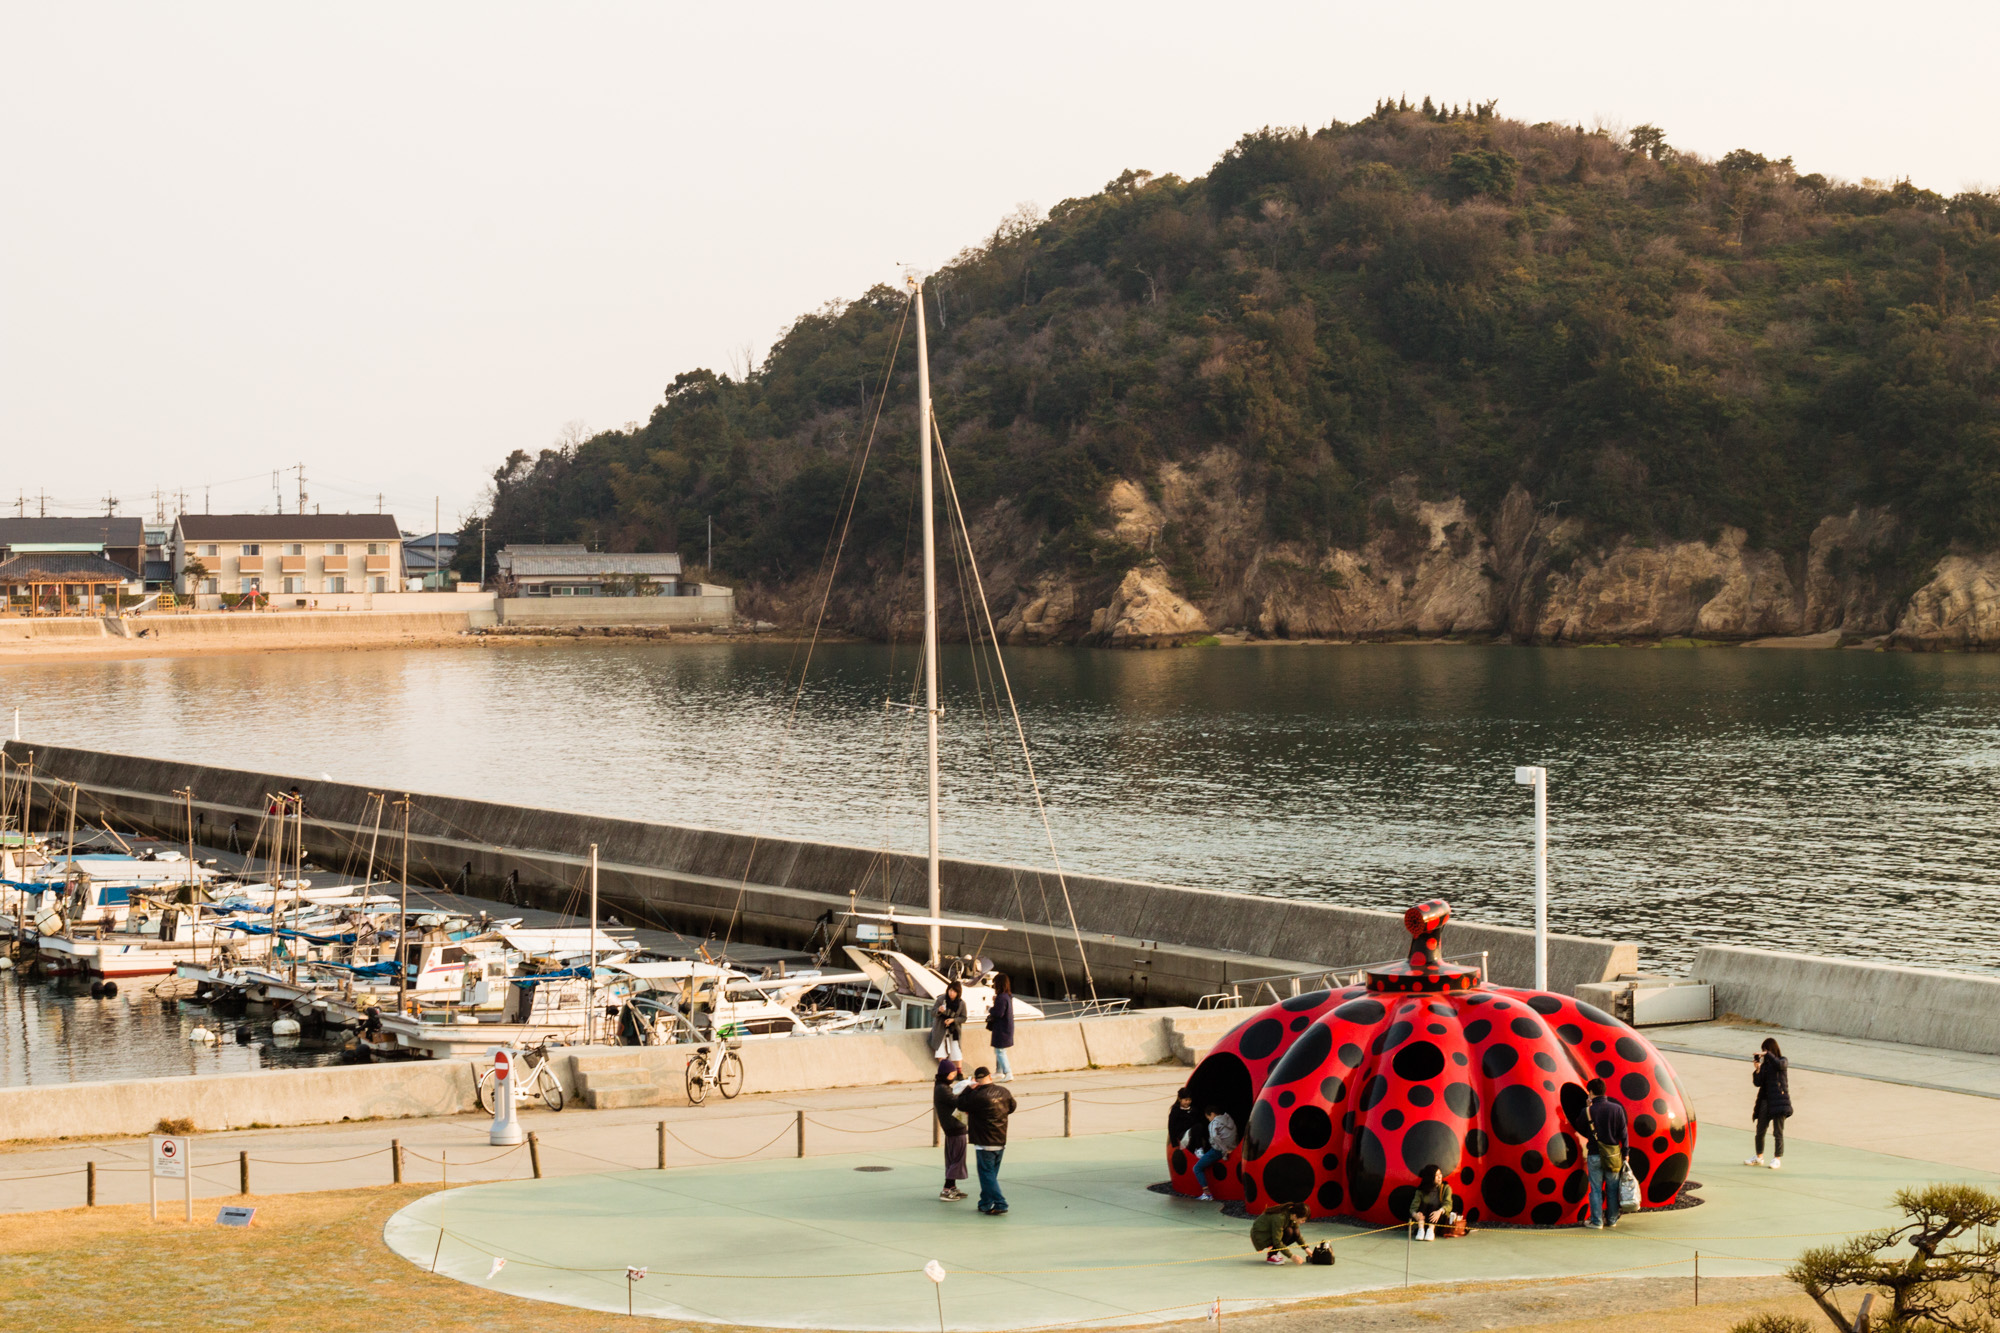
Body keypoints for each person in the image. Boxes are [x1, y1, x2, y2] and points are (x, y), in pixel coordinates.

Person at [956, 1066, 1017, 1215]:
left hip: (984, 1142)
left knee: (986, 1175)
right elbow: (1012, 1107)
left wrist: (969, 1089)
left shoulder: (977, 1096)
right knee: (990, 1176)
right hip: (1000, 1139)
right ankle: (985, 1202)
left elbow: (960, 1103)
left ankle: (1000, 1203)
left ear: (976, 1079)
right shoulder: (1004, 1092)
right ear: (990, 1076)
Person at [1585, 1077, 1628, 1229]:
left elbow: (1579, 1125)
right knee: (1612, 1188)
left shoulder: (1589, 1111)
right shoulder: (1616, 1109)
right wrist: (1626, 1152)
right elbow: (1624, 1133)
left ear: (1591, 1092)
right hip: (1613, 1155)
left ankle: (1597, 1221)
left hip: (1595, 1154)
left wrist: (1587, 1108)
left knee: (1596, 1189)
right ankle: (1612, 1219)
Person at [1746, 1037, 1792, 1169]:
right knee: (1760, 1130)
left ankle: (1777, 1158)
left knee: (1778, 1132)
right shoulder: (1765, 1066)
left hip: (1779, 1102)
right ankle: (1759, 1156)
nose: (1763, 1053)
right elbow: (1758, 1083)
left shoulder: (1782, 1061)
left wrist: (1768, 1054)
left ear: (1771, 1050)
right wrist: (1757, 1069)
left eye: (1765, 1050)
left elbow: (1779, 1065)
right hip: (1765, 1101)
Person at [934, 1059, 969, 1201]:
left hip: (952, 1127)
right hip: (955, 1128)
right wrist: (968, 1090)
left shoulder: (940, 1087)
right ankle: (947, 1189)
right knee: (957, 1159)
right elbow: (958, 1102)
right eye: (952, 1073)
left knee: (952, 1158)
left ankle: (952, 1187)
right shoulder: (943, 1089)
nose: (954, 1076)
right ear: (946, 1074)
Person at [1194, 1105, 1239, 1202]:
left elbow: (1214, 1136)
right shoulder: (1229, 1119)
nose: (1209, 1120)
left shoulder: (1214, 1123)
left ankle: (1207, 1194)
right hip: (1233, 1147)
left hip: (1218, 1150)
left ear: (1212, 1114)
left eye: (1208, 1117)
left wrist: (1224, 1150)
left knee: (1197, 1168)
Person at [1408, 1164, 1458, 1241]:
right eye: (1436, 1175)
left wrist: (1440, 1211)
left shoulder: (1446, 1188)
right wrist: (1416, 1215)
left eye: (1440, 1174)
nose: (1439, 1177)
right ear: (1430, 1177)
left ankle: (1430, 1230)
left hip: (1438, 1219)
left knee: (1434, 1205)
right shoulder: (1421, 1190)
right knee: (1424, 1204)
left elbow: (1448, 1204)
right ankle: (1421, 1230)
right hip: (1423, 1219)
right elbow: (1413, 1207)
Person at [986, 974, 1016, 1082]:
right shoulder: (1007, 996)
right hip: (1006, 1027)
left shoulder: (1001, 997)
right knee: (999, 1049)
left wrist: (990, 1009)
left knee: (1000, 1051)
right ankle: (999, 1071)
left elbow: (999, 1013)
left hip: (1001, 1029)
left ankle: (1008, 1072)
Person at [930, 982, 967, 1063]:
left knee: (956, 1048)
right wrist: (939, 1010)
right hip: (940, 1027)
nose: (951, 993)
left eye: (954, 991)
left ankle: (959, 1072)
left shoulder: (961, 1003)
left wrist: (953, 1020)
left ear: (958, 993)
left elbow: (964, 1018)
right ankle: (945, 1070)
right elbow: (932, 1012)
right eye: (950, 990)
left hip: (954, 1029)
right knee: (939, 1048)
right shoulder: (941, 999)